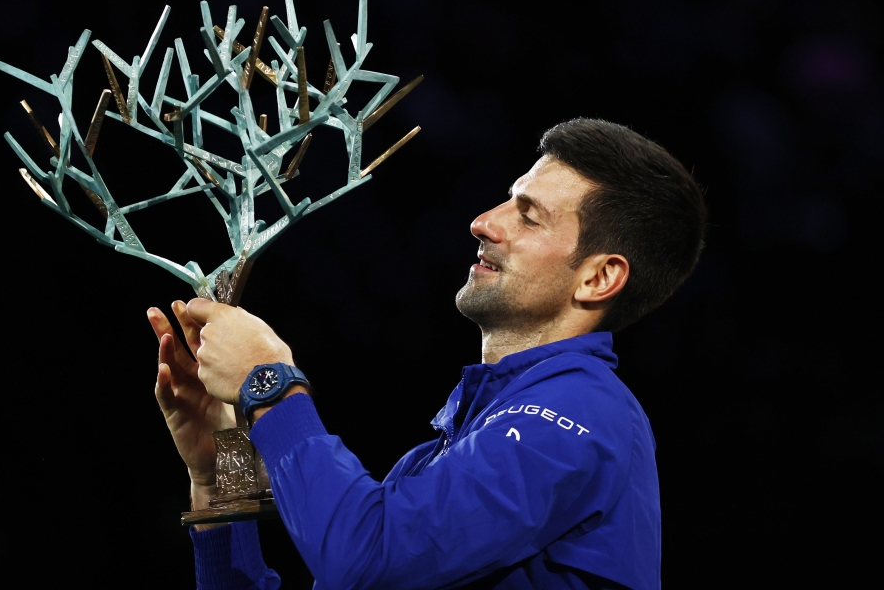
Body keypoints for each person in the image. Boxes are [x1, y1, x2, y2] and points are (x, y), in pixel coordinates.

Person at [146, 118, 707, 589]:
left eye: (528, 215)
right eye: (506, 202)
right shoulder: (440, 458)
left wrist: (268, 382)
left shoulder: (581, 416)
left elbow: (364, 560)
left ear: (598, 277)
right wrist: (224, 471)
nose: (484, 222)